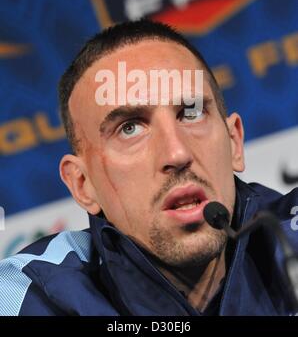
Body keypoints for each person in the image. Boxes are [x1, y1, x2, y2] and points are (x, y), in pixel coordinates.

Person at [0, 19, 297, 316]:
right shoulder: (33, 296)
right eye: (129, 128)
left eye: (190, 113)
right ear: (82, 184)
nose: (177, 153)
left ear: (233, 142)